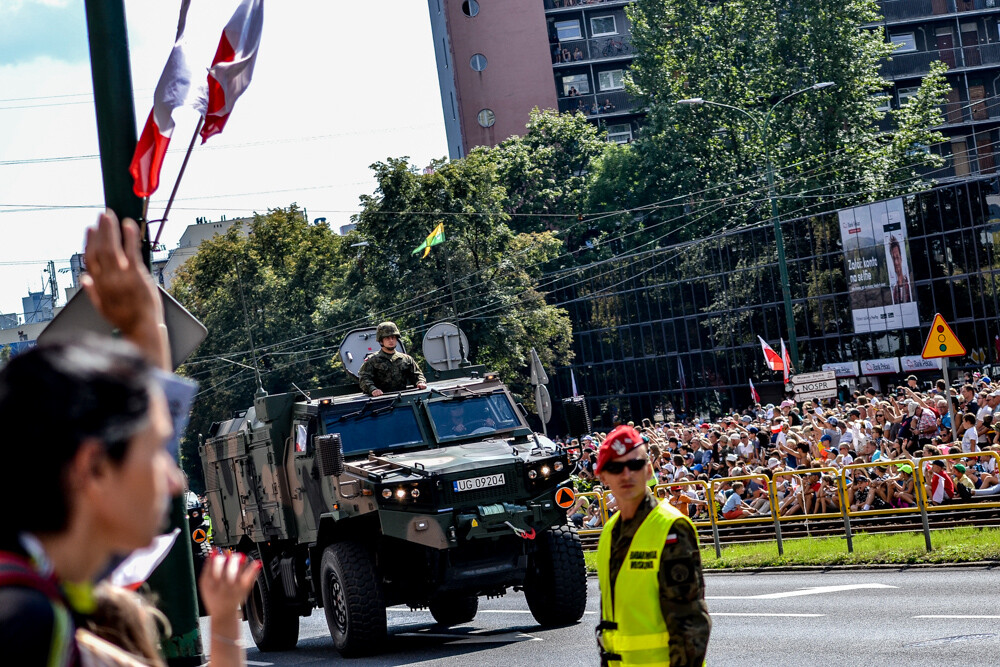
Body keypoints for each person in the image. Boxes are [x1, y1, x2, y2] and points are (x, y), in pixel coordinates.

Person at [0, 211, 258, 666]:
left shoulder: (43, 575)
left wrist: (144, 325)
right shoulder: (24, 624)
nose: (176, 481)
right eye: (156, 454)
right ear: (93, 469)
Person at [594, 425, 711, 666]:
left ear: (648, 470)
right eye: (616, 467)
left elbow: (691, 625)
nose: (626, 474)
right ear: (602, 476)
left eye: (635, 465)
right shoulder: (609, 532)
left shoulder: (670, 527)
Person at [357, 321, 427, 396]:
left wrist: (420, 382)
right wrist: (373, 389)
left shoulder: (406, 359)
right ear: (381, 341)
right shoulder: (372, 360)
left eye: (393, 337)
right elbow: (364, 378)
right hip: (380, 400)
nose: (391, 340)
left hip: (403, 399)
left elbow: (417, 374)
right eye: (387, 338)